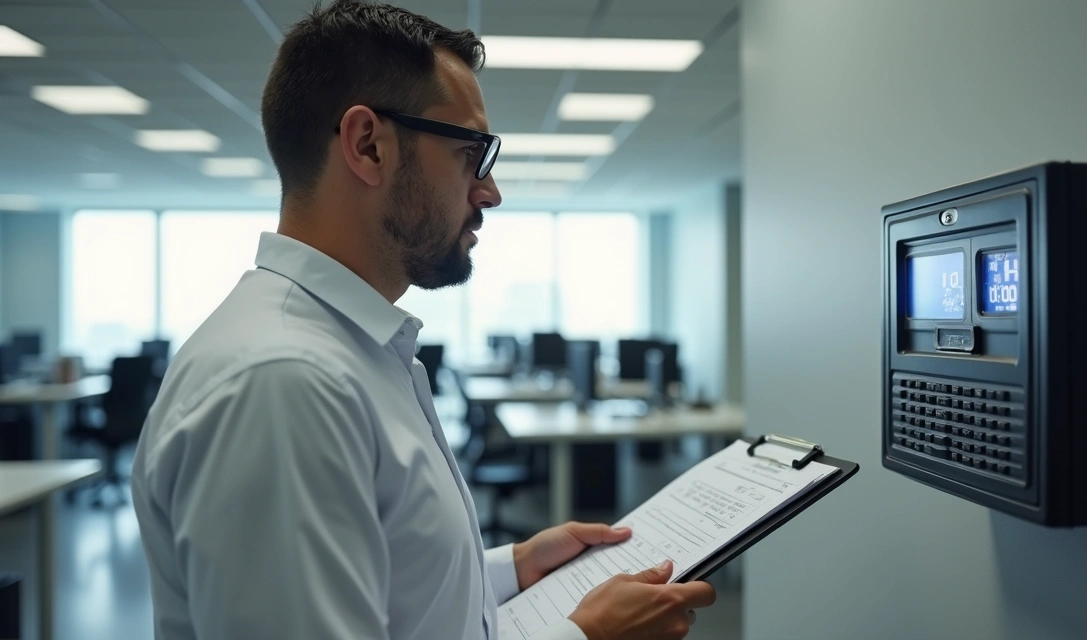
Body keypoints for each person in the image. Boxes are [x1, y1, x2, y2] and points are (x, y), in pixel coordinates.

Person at [128, 1, 716, 639]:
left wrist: (510, 568)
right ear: (368, 146)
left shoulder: (347, 351)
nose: (490, 191)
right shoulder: (283, 381)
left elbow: (393, 591)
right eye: (470, 152)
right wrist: (587, 636)